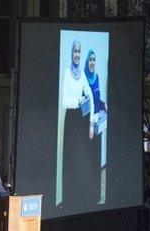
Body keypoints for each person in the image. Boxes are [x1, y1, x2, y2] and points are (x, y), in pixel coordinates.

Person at [60, 40, 99, 208]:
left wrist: (91, 125)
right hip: (71, 119)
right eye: (75, 51)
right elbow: (64, 101)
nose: (77, 54)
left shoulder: (82, 75)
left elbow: (90, 96)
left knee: (81, 158)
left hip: (82, 120)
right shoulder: (67, 73)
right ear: (71, 53)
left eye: (79, 52)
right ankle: (69, 199)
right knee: (70, 158)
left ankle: (83, 197)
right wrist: (78, 100)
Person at [84, 49, 108, 204]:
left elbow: (98, 99)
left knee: (98, 161)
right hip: (88, 128)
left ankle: (97, 196)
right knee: (88, 162)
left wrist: (105, 105)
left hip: (99, 126)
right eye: (90, 59)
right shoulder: (84, 79)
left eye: (94, 59)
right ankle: (87, 195)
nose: (92, 62)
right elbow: (86, 103)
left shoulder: (97, 77)